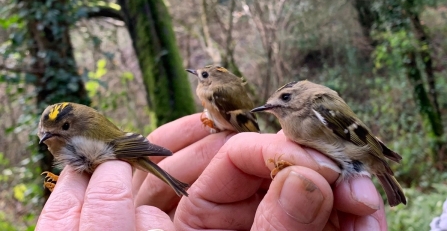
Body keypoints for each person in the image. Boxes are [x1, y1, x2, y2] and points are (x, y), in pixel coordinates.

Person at [35, 113, 387, 231]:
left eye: (64, 127)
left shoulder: (83, 138)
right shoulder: (68, 137)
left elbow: (115, 152)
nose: (51, 135)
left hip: (125, 156)